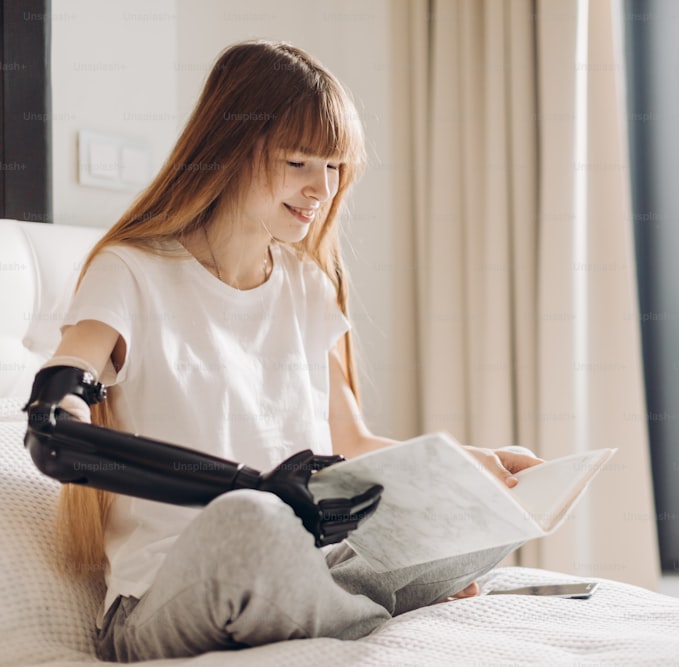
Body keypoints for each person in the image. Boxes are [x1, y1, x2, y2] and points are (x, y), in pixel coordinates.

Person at [30, 40, 542, 661]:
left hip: (313, 568)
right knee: (252, 520)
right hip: (169, 594)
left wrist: (468, 468)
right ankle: (381, 610)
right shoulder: (130, 271)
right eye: (299, 161)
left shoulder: (306, 284)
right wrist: (256, 486)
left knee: (474, 508)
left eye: (334, 167)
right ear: (228, 150)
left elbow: (352, 445)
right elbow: (54, 431)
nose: (321, 189)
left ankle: (356, 602)